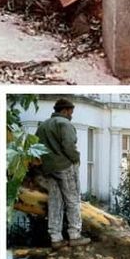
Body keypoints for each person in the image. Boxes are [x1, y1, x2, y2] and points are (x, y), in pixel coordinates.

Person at [37, 98, 90, 248]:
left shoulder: (43, 126)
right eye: (71, 112)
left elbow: (36, 148)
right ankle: (75, 235)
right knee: (72, 200)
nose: (71, 115)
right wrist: (75, 159)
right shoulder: (64, 124)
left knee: (55, 202)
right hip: (65, 166)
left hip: (49, 169)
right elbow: (69, 146)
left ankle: (55, 238)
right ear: (65, 110)